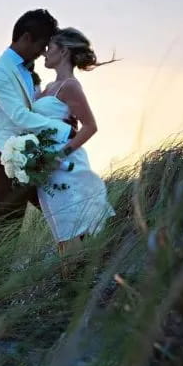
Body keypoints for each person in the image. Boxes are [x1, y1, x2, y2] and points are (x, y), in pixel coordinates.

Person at [0, 9, 72, 238]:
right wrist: (64, 129)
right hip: (8, 162)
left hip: (39, 158)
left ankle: (75, 268)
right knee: (7, 236)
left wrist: (61, 116)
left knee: (67, 218)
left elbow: (35, 108)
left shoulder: (30, 71)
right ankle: (0, 276)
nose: (43, 53)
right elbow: (19, 116)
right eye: (42, 45)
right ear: (26, 38)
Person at [33, 27, 115, 251]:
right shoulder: (47, 88)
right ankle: (72, 281)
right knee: (61, 234)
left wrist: (59, 155)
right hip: (47, 171)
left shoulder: (69, 86)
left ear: (63, 52)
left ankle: (76, 283)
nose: (45, 53)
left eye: (50, 48)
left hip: (64, 165)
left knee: (70, 233)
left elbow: (90, 126)